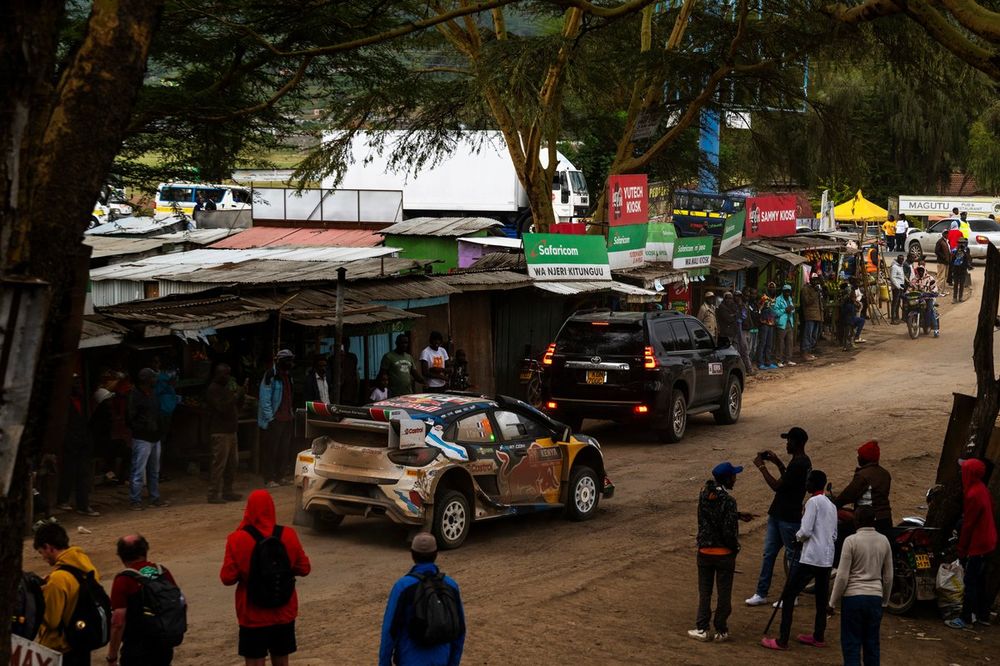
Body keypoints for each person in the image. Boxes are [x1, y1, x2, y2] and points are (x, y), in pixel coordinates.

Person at [221, 490, 312, 666]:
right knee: (282, 660)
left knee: (254, 661)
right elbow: (304, 568)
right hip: (283, 611)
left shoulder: (237, 538)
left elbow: (227, 578)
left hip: (252, 614)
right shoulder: (288, 535)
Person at [762, 469, 837, 651]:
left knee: (788, 596)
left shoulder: (812, 502)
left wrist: (797, 539)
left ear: (813, 483)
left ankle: (782, 639)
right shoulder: (831, 504)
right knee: (820, 599)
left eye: (808, 481)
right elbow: (834, 534)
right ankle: (818, 636)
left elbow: (805, 531)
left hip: (811, 557)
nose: (806, 484)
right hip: (826, 558)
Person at [688, 462, 754, 642]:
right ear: (727, 478)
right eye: (733, 476)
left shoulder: (704, 494)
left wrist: (737, 514)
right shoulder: (729, 501)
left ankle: (702, 628)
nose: (735, 479)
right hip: (724, 554)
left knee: (705, 592)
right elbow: (727, 530)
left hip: (704, 551)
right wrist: (735, 547)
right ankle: (721, 629)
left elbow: (712, 514)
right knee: (724, 593)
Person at [746, 427, 812, 606]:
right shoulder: (801, 462)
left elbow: (777, 486)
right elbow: (787, 479)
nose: (786, 444)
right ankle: (762, 592)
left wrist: (762, 467)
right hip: (781, 514)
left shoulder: (799, 464)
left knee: (790, 556)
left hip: (787, 516)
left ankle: (789, 595)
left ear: (796, 443)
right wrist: (777, 462)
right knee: (770, 554)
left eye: (789, 441)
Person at [379, 532, 465, 666]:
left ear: (412, 554)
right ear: (436, 553)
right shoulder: (450, 585)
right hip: (442, 659)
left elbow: (390, 631)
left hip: (410, 659)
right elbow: (460, 630)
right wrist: (453, 662)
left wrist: (384, 663)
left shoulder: (403, 586)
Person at [828, 506, 893, 666]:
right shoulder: (883, 540)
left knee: (851, 644)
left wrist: (832, 602)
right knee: (872, 645)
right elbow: (888, 576)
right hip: (875, 598)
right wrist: (884, 601)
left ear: (857, 521)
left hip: (853, 598)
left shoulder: (851, 541)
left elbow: (842, 577)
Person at [108, 534, 183, 666]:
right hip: (164, 645)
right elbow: (181, 602)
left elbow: (118, 622)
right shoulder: (162, 571)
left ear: (121, 555)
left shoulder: (124, 580)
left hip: (137, 649)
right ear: (145, 550)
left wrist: (112, 656)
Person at [34, 523, 102, 666]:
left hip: (61, 649)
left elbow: (51, 620)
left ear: (48, 547)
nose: (43, 558)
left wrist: (38, 597)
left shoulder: (58, 579)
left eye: (41, 552)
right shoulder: (86, 566)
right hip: (82, 641)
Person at [947, 458, 998, 629]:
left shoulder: (972, 494)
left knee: (970, 581)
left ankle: (965, 617)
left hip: (979, 543)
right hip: (988, 541)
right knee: (981, 580)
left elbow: (969, 524)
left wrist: (962, 549)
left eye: (964, 470)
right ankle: (983, 615)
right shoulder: (982, 489)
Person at [127, 368, 169, 511]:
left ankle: (154, 498)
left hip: (154, 437)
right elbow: (131, 418)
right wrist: (143, 428)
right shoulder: (135, 395)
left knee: (153, 471)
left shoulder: (152, 394)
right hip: (142, 438)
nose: (155, 380)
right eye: (152, 378)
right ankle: (135, 500)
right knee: (138, 471)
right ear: (146, 380)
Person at [57, 376, 99, 516]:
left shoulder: (83, 401)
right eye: (75, 384)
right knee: (68, 472)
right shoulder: (64, 403)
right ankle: (63, 500)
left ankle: (83, 505)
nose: (79, 386)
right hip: (70, 442)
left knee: (83, 473)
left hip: (83, 442)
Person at [205, 363, 246, 504]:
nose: (227, 376)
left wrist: (241, 394)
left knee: (232, 463)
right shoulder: (213, 389)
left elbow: (235, 406)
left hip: (231, 430)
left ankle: (227, 491)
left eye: (228, 373)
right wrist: (236, 395)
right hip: (219, 431)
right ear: (217, 374)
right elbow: (222, 407)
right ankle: (213, 493)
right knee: (219, 464)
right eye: (224, 374)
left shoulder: (226, 387)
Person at [834, 440, 893, 535]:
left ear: (865, 458)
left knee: (839, 516)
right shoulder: (885, 473)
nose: (858, 457)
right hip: (885, 517)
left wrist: (835, 503)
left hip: (868, 517)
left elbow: (848, 495)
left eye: (859, 455)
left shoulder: (863, 475)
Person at [258, 349, 295, 488]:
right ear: (279, 361)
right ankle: (269, 478)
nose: (290, 363)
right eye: (288, 361)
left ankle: (280, 476)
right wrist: (270, 418)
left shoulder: (288, 376)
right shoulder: (270, 376)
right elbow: (265, 399)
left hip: (286, 418)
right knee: (271, 450)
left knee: (284, 449)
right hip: (275, 419)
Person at [910, 264, 940, 336]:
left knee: (930, 310)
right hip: (918, 298)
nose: (920, 272)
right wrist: (907, 291)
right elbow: (910, 287)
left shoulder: (930, 278)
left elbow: (935, 287)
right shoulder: (915, 279)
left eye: (921, 270)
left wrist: (933, 292)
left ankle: (936, 330)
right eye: (919, 270)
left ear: (924, 271)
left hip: (928, 298)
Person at [773, 284, 796, 367]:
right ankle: (778, 360)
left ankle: (788, 359)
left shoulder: (789, 299)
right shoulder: (778, 299)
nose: (787, 293)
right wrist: (785, 310)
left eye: (788, 291)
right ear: (783, 291)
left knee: (789, 342)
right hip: (781, 323)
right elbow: (775, 312)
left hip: (789, 322)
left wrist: (791, 309)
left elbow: (793, 309)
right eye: (786, 291)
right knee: (780, 343)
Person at [800, 276, 822, 361]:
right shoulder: (806, 289)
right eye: (814, 280)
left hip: (817, 316)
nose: (816, 282)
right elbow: (807, 301)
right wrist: (816, 293)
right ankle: (805, 353)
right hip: (809, 315)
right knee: (807, 335)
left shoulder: (817, 290)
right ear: (811, 280)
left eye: (817, 280)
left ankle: (809, 352)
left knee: (814, 336)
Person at [733, 291, 755, 374]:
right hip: (740, 331)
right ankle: (748, 369)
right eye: (736, 296)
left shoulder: (743, 305)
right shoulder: (735, 306)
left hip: (746, 330)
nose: (737, 297)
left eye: (739, 296)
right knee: (743, 351)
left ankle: (747, 369)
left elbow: (745, 317)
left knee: (746, 351)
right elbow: (740, 319)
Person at [758, 284, 777, 370]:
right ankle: (760, 363)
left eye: (773, 288)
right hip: (764, 323)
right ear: (768, 288)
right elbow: (759, 308)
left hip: (771, 323)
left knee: (769, 344)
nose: (772, 289)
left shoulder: (774, 299)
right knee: (763, 343)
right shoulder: (764, 297)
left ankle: (768, 362)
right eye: (771, 287)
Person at [951, 238, 972, 303]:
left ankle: (960, 297)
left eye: (963, 243)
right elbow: (953, 259)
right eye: (960, 243)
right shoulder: (954, 250)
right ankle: (954, 298)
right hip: (956, 269)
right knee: (955, 284)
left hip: (963, 269)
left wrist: (963, 251)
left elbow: (968, 258)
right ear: (958, 243)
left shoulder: (967, 249)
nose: (961, 244)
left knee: (962, 284)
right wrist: (958, 250)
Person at [340, 339, 360, 405]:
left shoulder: (352, 357)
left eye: (348, 344)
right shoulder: (335, 358)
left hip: (351, 388)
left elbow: (356, 373)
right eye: (344, 344)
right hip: (341, 389)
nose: (346, 346)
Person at [935, 230, 952, 298]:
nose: (947, 235)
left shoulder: (946, 241)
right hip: (941, 262)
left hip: (946, 262)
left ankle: (943, 290)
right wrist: (944, 257)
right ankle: (938, 291)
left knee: (945, 277)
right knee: (940, 277)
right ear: (943, 234)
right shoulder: (940, 241)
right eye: (946, 233)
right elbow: (936, 251)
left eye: (947, 233)